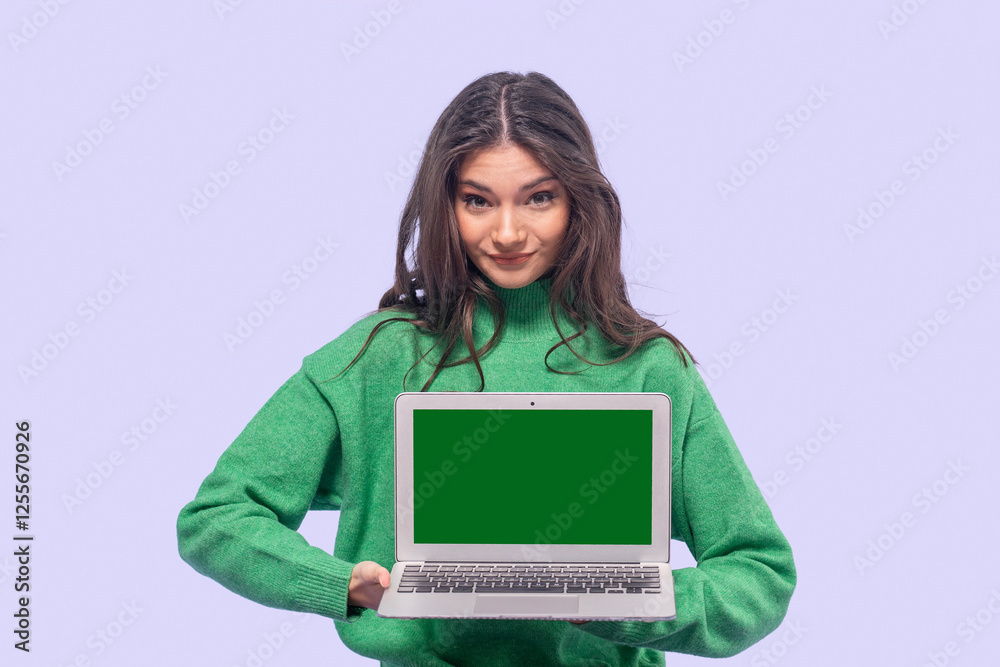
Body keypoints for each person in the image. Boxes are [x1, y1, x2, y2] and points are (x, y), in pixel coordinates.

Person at [176, 70, 796, 665]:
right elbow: (218, 519)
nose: (507, 232)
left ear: (579, 201)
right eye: (478, 200)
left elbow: (759, 575)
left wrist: (628, 603)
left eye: (539, 198)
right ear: (444, 205)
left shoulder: (647, 368)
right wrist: (343, 585)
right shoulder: (378, 357)